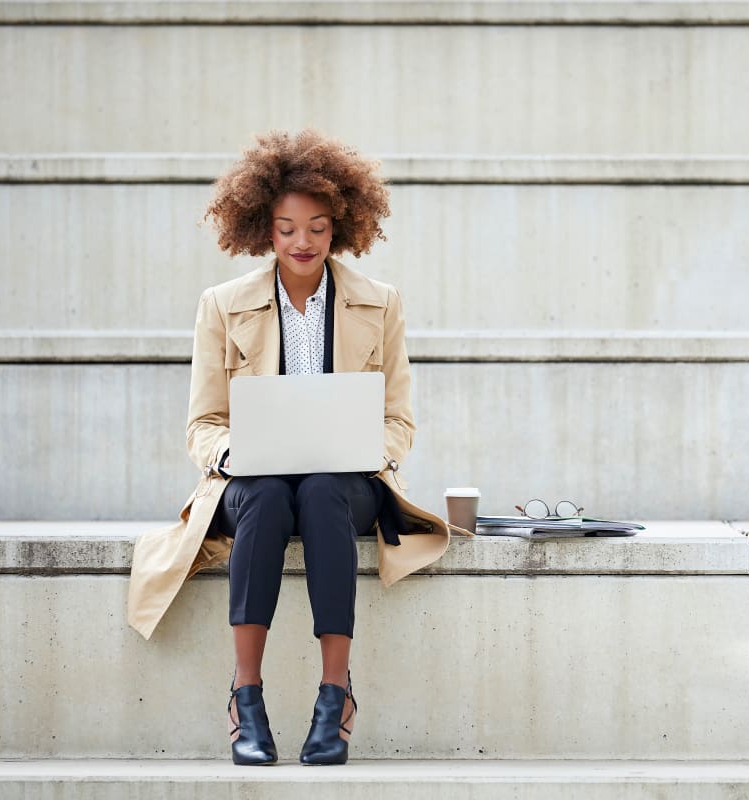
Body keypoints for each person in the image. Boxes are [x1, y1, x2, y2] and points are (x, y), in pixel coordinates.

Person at [126, 129, 467, 766]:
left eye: (316, 227)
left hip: (345, 481)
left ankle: (334, 695)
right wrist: (231, 451)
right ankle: (245, 697)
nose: (302, 243)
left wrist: (372, 449)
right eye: (286, 229)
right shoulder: (222, 307)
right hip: (251, 482)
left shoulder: (380, 302)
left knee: (320, 491)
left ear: (341, 224)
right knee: (264, 495)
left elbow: (399, 419)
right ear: (262, 228)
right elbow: (203, 422)